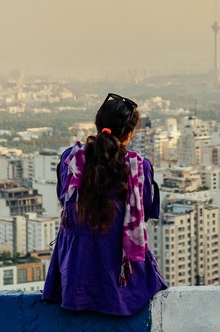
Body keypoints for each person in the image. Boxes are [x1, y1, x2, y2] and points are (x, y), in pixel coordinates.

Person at [41, 92, 168, 315]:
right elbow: (145, 210)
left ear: (98, 125)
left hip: (73, 274)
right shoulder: (139, 167)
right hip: (118, 276)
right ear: (129, 134)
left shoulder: (70, 159)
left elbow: (64, 197)